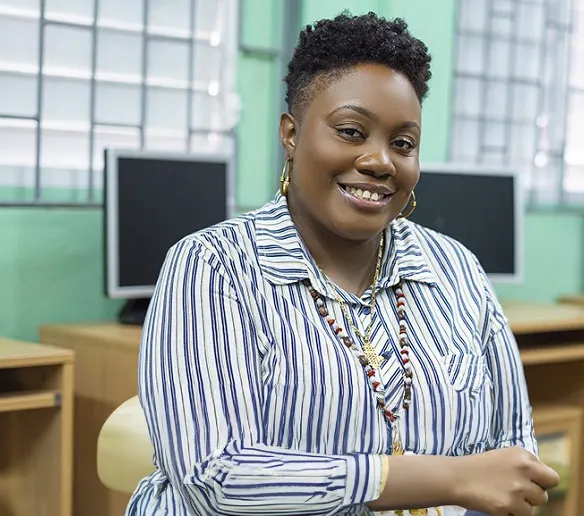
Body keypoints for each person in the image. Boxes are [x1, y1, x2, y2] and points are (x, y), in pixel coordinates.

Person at [126, 11, 559, 516]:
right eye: (352, 131)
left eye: (403, 143)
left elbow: (513, 451)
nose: (381, 161)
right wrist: (445, 478)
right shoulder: (213, 268)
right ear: (291, 134)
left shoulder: (456, 270)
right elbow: (216, 477)